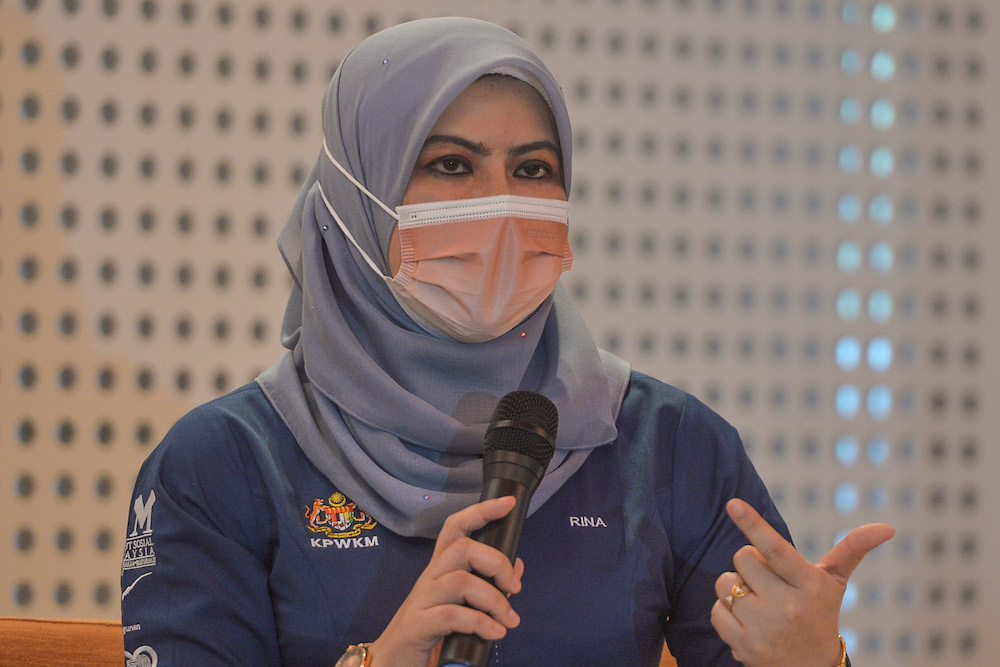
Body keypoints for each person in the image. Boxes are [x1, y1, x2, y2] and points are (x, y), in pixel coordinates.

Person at [120, 17, 893, 666]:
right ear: (358, 201)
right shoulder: (220, 463)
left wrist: (818, 660)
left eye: (533, 168)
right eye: (450, 164)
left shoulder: (671, 445)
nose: (500, 204)